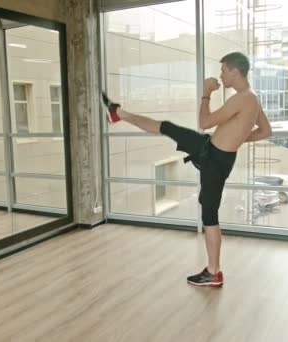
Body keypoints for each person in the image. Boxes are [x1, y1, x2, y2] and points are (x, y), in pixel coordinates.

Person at [102, 52, 272, 286]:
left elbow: (204, 122)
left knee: (209, 215)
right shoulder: (252, 98)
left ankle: (213, 272)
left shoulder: (242, 98)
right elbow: (265, 131)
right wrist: (236, 138)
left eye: (223, 70)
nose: (221, 75)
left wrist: (205, 93)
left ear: (235, 71)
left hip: (215, 160)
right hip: (211, 150)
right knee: (168, 127)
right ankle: (118, 113)